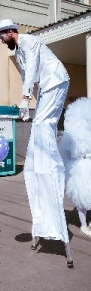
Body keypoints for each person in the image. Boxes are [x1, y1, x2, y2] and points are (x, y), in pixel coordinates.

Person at [0, 20, 70, 244]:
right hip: (46, 88)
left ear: (10, 32)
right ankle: (43, 157)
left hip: (57, 81)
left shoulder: (30, 42)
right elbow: (29, 78)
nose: (0, 39)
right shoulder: (18, 53)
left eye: (1, 35)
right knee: (39, 124)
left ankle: (50, 159)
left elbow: (34, 69)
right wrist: (28, 104)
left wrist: (25, 99)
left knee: (43, 125)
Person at [59, 97, 91, 237]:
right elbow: (65, 154)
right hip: (78, 168)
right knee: (80, 198)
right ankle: (84, 225)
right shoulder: (70, 137)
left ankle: (87, 224)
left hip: (87, 165)